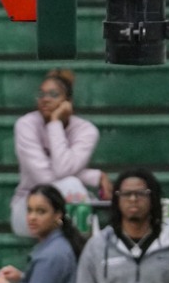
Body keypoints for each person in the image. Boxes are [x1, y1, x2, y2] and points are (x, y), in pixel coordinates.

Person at [10, 66, 103, 236]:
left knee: (73, 191)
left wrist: (54, 123)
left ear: (69, 101)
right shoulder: (26, 125)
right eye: (41, 94)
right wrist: (94, 176)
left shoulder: (86, 130)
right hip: (29, 210)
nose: (45, 99)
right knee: (72, 186)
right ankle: (83, 247)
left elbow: (62, 169)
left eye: (53, 95)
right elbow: (47, 180)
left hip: (64, 207)